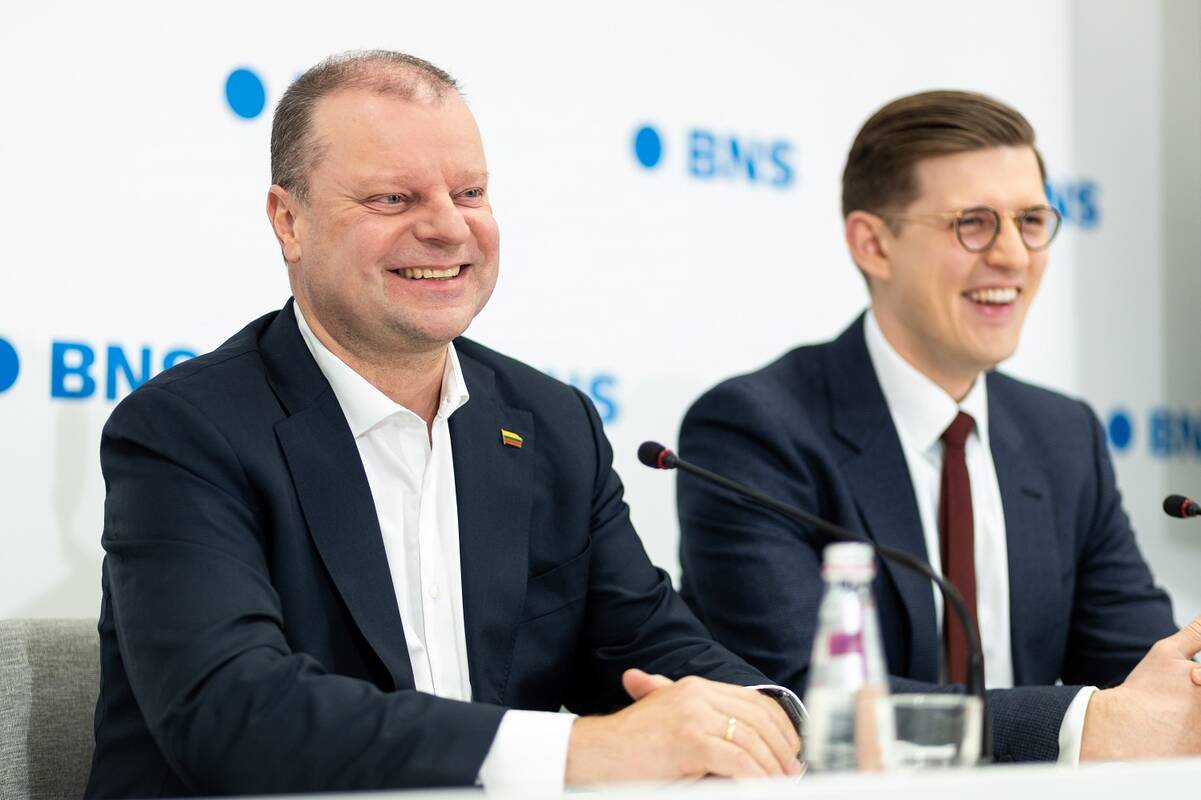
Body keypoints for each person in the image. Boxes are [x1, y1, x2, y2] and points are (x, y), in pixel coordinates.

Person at [84, 50, 802, 799]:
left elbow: (653, 644)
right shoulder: (185, 430)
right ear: (288, 221)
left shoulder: (553, 424)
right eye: (393, 198)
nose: (447, 228)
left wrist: (764, 719)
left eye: (469, 193)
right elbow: (234, 714)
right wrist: (578, 751)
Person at [677, 89, 1201, 763]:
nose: (1013, 256)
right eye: (973, 224)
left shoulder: (1063, 435)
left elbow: (1139, 671)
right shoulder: (756, 430)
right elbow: (804, 700)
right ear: (873, 244)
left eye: (1031, 221)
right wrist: (1074, 726)